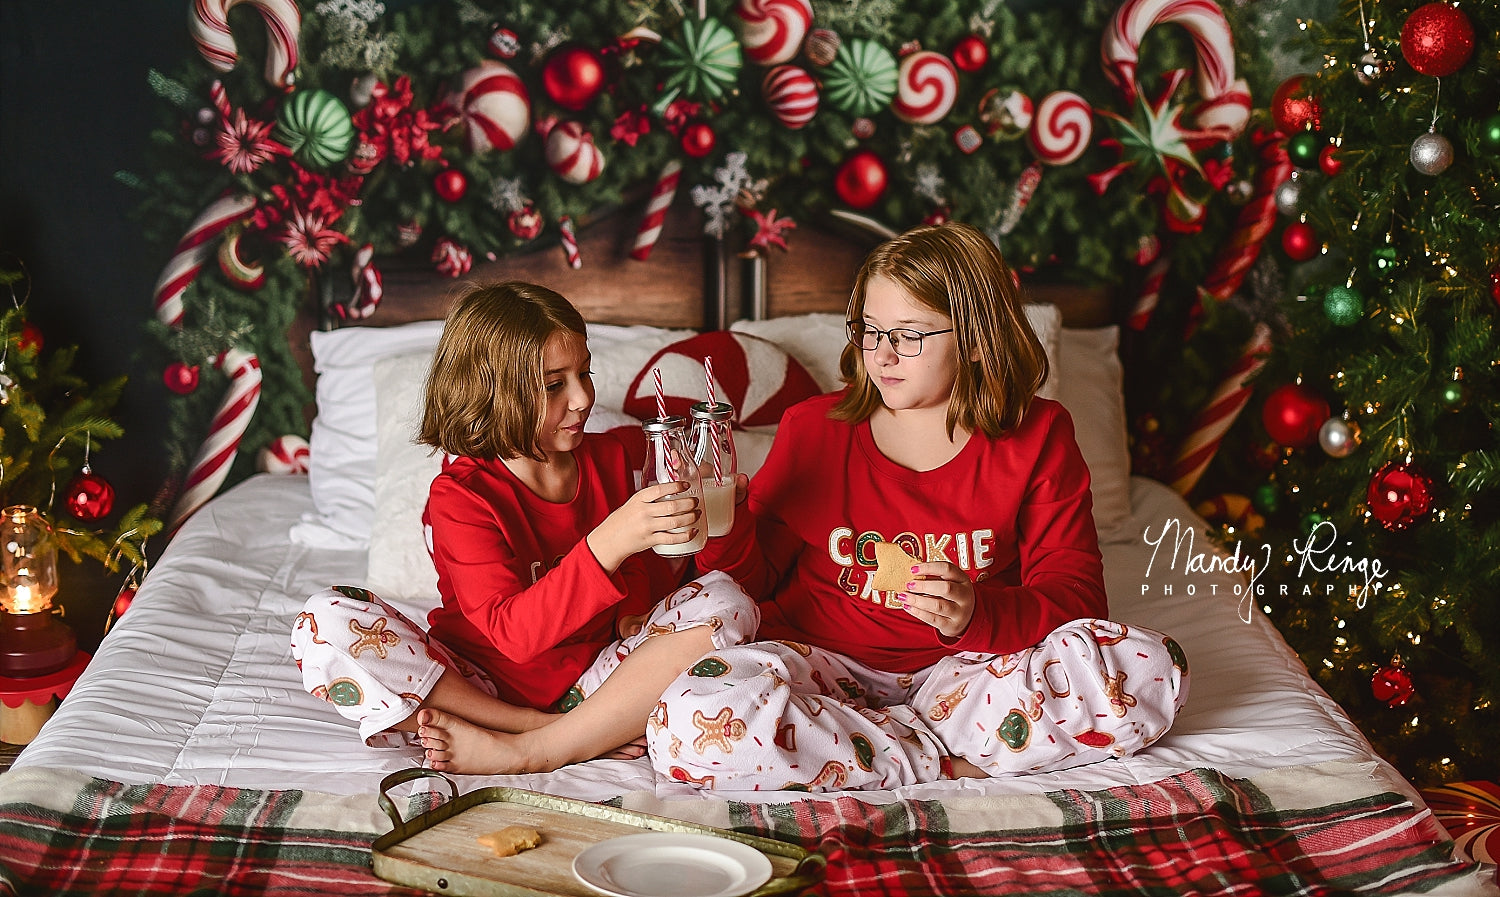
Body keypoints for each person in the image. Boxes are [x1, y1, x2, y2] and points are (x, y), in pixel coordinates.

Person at [651, 223, 1187, 791]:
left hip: (969, 673)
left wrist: (976, 614)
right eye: (870, 330)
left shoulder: (1040, 435)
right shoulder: (813, 428)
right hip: (821, 666)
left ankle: (861, 747)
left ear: (978, 339)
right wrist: (722, 529)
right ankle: (930, 759)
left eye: (909, 335)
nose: (881, 354)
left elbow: (1077, 597)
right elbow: (755, 582)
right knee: (687, 717)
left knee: (1148, 668)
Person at [291, 282, 758, 775]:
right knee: (324, 622)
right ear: (491, 391)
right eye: (554, 384)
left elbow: (675, 580)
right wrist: (611, 539)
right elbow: (513, 636)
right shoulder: (461, 496)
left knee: (728, 601)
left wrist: (720, 522)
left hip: (598, 681)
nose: (582, 398)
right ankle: (536, 730)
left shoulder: (622, 456)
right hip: (476, 686)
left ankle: (560, 734)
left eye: (584, 373)